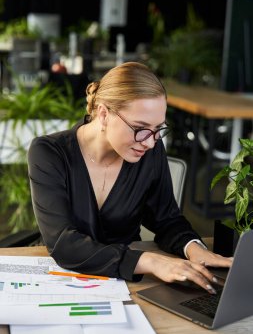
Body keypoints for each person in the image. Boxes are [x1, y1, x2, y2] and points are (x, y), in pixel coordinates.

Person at [28, 61, 232, 294]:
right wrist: (151, 261)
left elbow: (166, 219)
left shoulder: (150, 149)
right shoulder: (49, 152)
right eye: (139, 128)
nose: (149, 141)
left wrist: (197, 251)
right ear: (104, 114)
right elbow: (64, 244)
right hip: (60, 281)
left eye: (158, 129)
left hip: (125, 286)